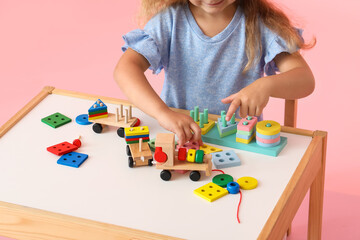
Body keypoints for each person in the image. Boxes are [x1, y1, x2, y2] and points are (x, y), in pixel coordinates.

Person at [113, 0, 315, 147]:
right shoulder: (170, 21)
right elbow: (125, 69)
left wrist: (266, 85)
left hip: (242, 144)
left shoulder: (260, 23)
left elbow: (305, 80)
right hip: (182, 139)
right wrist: (163, 113)